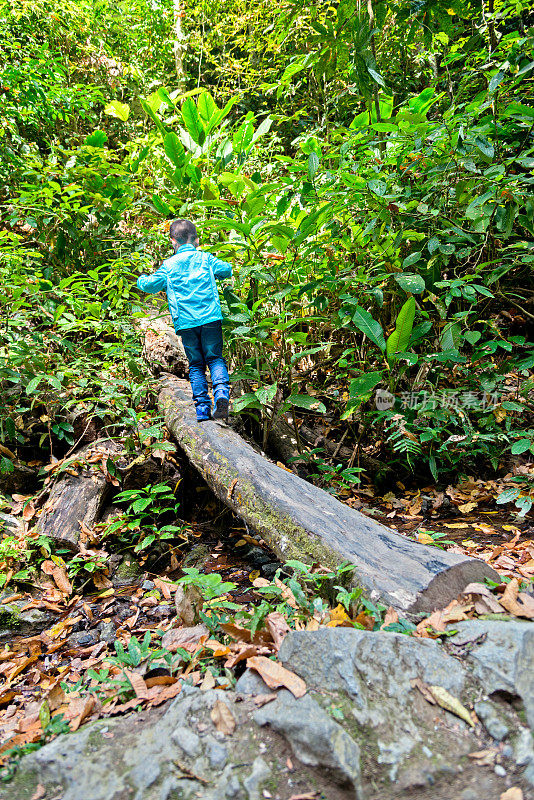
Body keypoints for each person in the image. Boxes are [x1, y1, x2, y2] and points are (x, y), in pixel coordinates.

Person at [136, 219, 232, 422]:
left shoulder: (168, 266)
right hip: (210, 318)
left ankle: (202, 410)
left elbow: (150, 286)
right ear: (196, 240)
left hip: (187, 323)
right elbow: (227, 270)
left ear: (173, 242)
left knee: (196, 364)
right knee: (215, 358)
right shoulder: (206, 258)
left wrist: (140, 278)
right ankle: (222, 393)